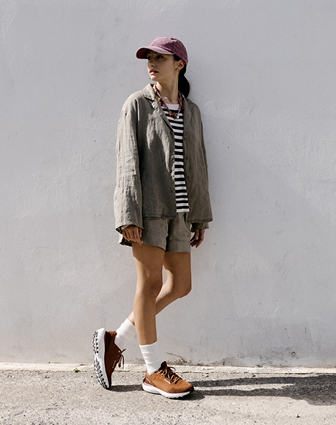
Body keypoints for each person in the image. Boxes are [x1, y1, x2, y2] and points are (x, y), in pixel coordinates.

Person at [93, 37, 213, 399]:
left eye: (159, 58)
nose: (151, 63)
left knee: (181, 285)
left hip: (181, 212)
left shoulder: (191, 111)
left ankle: (116, 340)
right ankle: (153, 369)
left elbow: (198, 164)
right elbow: (127, 161)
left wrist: (199, 217)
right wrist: (128, 214)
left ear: (179, 64)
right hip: (148, 211)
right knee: (148, 286)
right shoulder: (137, 104)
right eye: (149, 58)